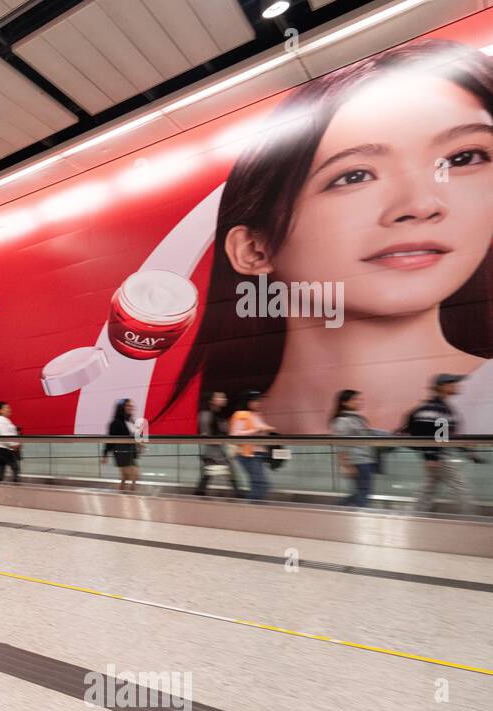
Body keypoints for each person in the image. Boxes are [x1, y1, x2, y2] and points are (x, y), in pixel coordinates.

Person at [165, 38, 493, 436]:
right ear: (253, 249)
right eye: (353, 176)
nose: (421, 204)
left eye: (463, 158)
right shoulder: (234, 426)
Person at [404, 373, 478, 513]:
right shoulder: (435, 407)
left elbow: (442, 434)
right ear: (443, 386)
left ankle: (415, 513)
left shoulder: (440, 406)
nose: (457, 385)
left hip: (438, 454)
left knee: (430, 486)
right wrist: (432, 456)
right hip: (439, 455)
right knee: (460, 485)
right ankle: (470, 519)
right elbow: (429, 434)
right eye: (453, 383)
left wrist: (466, 450)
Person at [329, 389, 382, 508]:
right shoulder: (342, 421)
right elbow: (340, 444)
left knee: (362, 491)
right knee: (363, 493)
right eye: (355, 399)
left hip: (366, 460)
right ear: (344, 402)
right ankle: (359, 515)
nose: (359, 402)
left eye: (360, 399)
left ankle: (336, 508)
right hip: (357, 461)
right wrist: (347, 466)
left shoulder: (356, 418)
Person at [229, 389, 278, 501]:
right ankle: (253, 505)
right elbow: (235, 434)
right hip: (248, 454)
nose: (258, 403)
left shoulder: (258, 415)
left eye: (259, 401)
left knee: (259, 482)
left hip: (259, 452)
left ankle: (254, 504)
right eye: (256, 401)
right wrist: (256, 430)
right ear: (248, 402)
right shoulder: (241, 415)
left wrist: (266, 430)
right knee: (259, 482)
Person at [194, 391, 238, 496]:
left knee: (209, 472)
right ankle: (238, 492)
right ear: (211, 400)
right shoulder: (206, 414)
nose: (224, 399)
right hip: (213, 449)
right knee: (227, 469)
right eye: (220, 397)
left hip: (217, 448)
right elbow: (206, 434)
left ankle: (199, 491)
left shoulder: (218, 414)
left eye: (224, 397)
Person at [103, 399, 140, 493]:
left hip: (130, 452)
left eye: (131, 405)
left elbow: (135, 436)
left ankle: (120, 494)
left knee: (125, 476)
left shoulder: (131, 421)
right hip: (121, 452)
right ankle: (132, 495)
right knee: (135, 475)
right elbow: (110, 440)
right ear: (121, 408)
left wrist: (139, 444)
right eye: (127, 405)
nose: (130, 407)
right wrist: (105, 455)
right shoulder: (115, 423)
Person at [0, 401, 20, 482]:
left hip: (2, 447)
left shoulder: (3, 420)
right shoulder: (0, 420)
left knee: (2, 467)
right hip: (4, 448)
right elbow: (4, 434)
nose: (9, 409)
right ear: (0, 410)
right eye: (6, 408)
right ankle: (16, 484)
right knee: (15, 467)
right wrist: (13, 445)